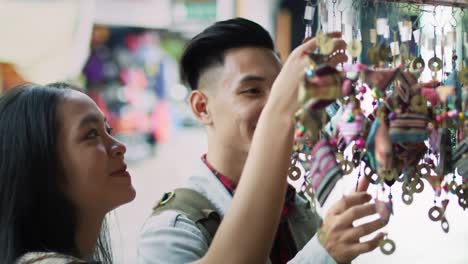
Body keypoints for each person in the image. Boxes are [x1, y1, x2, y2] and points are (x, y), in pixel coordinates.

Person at [0, 28, 333, 264]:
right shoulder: (174, 227)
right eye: (90, 135)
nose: (119, 146)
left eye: (107, 129)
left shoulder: (297, 207)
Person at [138, 18, 387, 264]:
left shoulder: (296, 209)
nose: (277, 105)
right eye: (253, 91)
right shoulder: (173, 231)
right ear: (202, 107)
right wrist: (323, 254)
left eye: (281, 89)